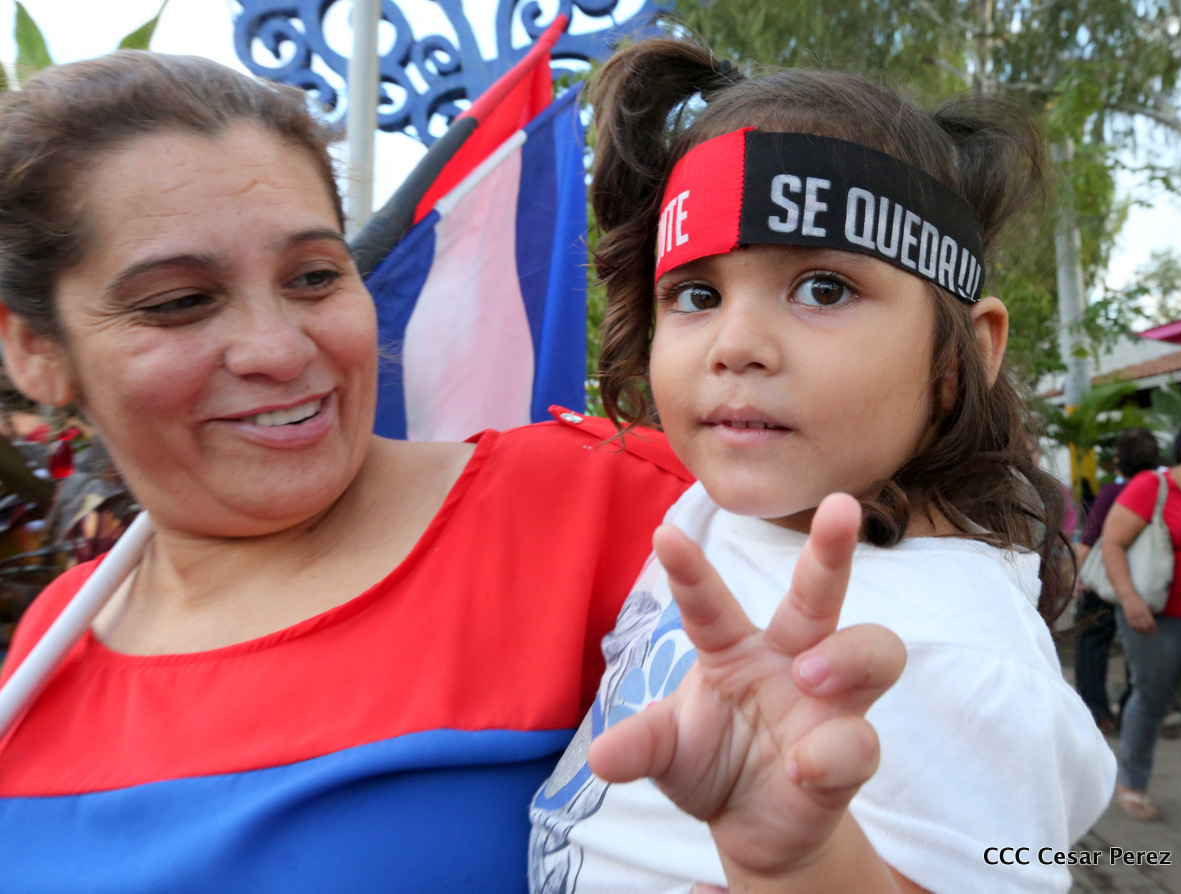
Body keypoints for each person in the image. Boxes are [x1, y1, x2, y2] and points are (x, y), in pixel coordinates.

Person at [0, 52, 699, 893]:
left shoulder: (606, 514)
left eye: (314, 277)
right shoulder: (55, 637)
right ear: (34, 350)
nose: (278, 349)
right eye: (180, 301)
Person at [529, 38, 1115, 893]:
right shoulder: (714, 510)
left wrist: (800, 866)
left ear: (966, 353)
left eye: (824, 289)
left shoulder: (963, 659)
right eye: (696, 294)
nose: (735, 344)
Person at [1102, 419, 1181, 821]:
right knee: (1151, 699)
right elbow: (1112, 542)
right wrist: (1129, 598)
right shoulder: (1153, 487)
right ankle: (1133, 784)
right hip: (1158, 619)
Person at [1074, 427, 1161, 734]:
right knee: (1138, 652)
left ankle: (1097, 714)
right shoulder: (1163, 491)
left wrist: (1077, 577)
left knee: (1091, 645)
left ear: (1120, 462)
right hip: (1145, 585)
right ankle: (1129, 712)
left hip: (1103, 583)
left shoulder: (1112, 493)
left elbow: (1088, 540)